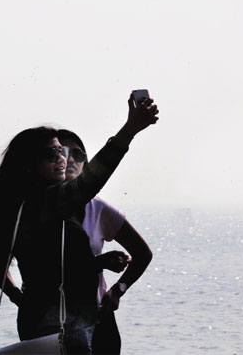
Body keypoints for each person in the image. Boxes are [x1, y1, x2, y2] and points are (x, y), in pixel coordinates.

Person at [0, 93, 158, 354]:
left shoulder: (19, 205)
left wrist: (20, 298)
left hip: (41, 321)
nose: (62, 158)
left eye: (62, 151)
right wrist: (130, 130)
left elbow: (45, 267)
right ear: (30, 164)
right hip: (66, 325)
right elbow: (93, 178)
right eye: (51, 153)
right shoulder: (49, 201)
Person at [57, 129, 153, 355]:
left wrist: (119, 289)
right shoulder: (39, 208)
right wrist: (18, 297)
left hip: (97, 317)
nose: (70, 159)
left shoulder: (98, 208)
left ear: (87, 164)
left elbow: (143, 254)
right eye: (62, 152)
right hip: (52, 320)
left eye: (78, 154)